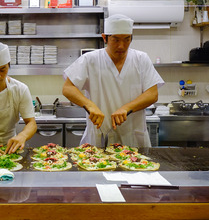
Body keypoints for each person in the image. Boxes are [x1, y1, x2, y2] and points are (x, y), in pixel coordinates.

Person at [62, 14, 164, 147]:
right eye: (115, 40)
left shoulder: (141, 59)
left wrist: (127, 108)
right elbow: (68, 88)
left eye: (126, 39)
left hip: (133, 137)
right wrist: (89, 105)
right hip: (99, 137)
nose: (121, 46)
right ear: (105, 38)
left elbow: (152, 94)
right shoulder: (90, 60)